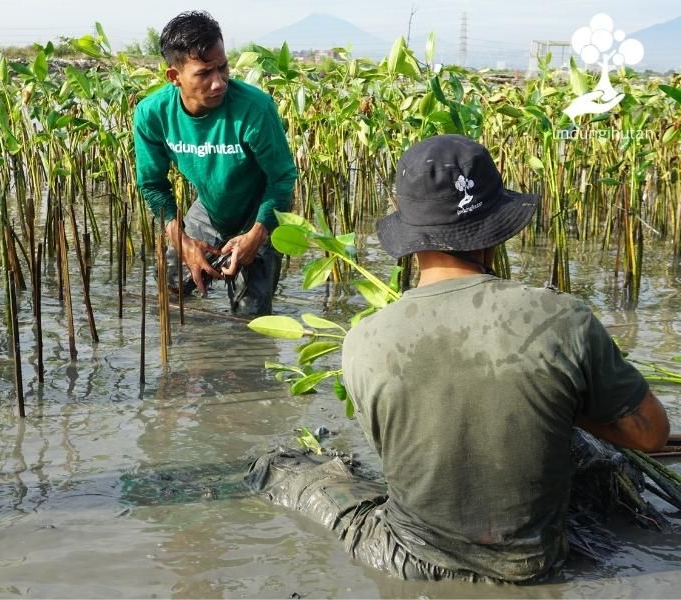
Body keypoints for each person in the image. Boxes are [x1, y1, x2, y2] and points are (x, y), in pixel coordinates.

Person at [246, 134, 669, 582]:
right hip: (536, 563)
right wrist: (566, 406)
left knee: (279, 468)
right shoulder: (562, 318)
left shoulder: (363, 339)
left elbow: (404, 456)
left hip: (407, 563)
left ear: (411, 235)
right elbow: (652, 436)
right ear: (495, 229)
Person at [133, 11, 297, 315]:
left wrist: (256, 235)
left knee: (251, 317)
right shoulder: (151, 114)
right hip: (208, 209)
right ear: (174, 76)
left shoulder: (255, 108)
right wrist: (181, 240)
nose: (218, 82)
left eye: (223, 68)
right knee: (171, 291)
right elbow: (152, 185)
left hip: (261, 209)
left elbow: (282, 179)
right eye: (204, 73)